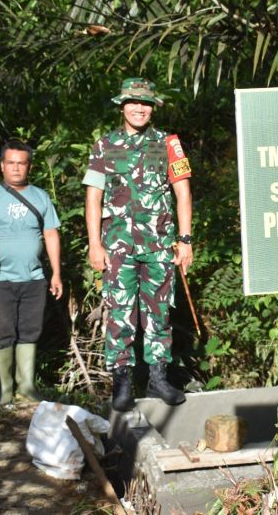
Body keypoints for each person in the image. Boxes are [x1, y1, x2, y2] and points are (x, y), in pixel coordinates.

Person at [82, 77, 193, 412]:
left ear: (153, 107)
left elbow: (183, 191)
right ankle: (122, 381)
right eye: (133, 102)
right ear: (122, 105)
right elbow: (93, 197)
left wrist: (185, 239)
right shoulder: (105, 146)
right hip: (117, 246)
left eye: (145, 103)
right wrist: (94, 244)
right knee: (119, 313)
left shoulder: (169, 144)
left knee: (159, 311)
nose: (139, 108)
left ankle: (159, 378)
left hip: (159, 244)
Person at [0, 140, 63, 406]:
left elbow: (50, 233)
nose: (16, 168)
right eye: (11, 163)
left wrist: (56, 273)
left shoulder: (40, 196)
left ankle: (26, 388)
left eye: (21, 163)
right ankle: (3, 390)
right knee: (1, 333)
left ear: (29, 166)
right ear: (2, 165)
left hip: (34, 278)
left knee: (29, 331)